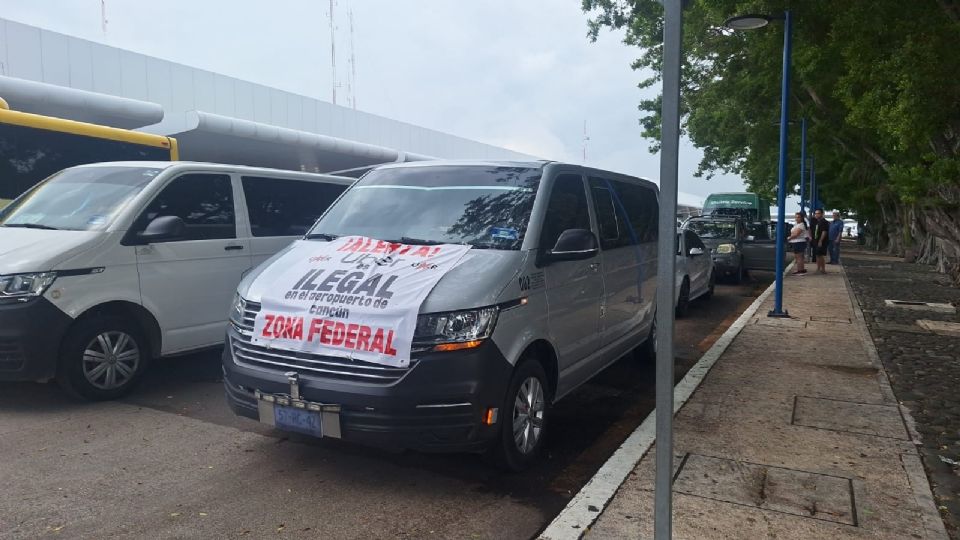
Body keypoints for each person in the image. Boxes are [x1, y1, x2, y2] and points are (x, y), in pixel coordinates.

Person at [811, 208, 830, 274]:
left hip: (821, 241)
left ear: (822, 214)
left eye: (818, 213)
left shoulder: (824, 222)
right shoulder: (817, 222)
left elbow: (824, 232)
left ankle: (822, 269)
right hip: (816, 240)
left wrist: (820, 240)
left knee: (820, 255)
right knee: (818, 255)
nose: (816, 215)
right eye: (815, 213)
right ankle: (819, 268)